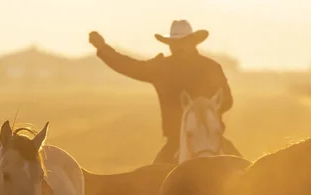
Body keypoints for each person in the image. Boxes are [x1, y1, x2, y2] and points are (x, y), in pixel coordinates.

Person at [88, 19, 242, 164]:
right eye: (173, 42)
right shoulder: (162, 68)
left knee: (245, 176)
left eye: (182, 41)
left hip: (211, 138)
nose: (177, 46)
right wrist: (103, 49)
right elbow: (130, 66)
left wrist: (202, 111)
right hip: (176, 141)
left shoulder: (211, 67)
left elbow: (227, 101)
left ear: (193, 42)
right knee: (154, 186)